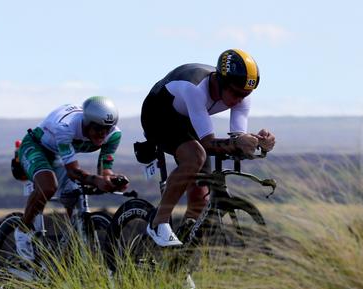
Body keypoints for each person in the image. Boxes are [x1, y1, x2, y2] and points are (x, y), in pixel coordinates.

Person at [140, 49, 276, 247]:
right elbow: (207, 143)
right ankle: (158, 222)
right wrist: (237, 143)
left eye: (245, 94)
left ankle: (179, 261)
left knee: (200, 201)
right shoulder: (195, 89)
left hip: (187, 119)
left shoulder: (241, 93)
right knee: (196, 156)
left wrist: (259, 142)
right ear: (220, 82)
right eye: (236, 93)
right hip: (158, 115)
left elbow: (237, 139)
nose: (240, 99)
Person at [14, 96, 129, 260]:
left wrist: (111, 180)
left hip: (60, 154)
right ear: (87, 123)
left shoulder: (114, 135)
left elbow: (105, 170)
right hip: (37, 147)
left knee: (74, 196)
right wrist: (96, 181)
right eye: (97, 129)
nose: (102, 134)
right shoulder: (66, 128)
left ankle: (70, 254)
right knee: (48, 187)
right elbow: (73, 172)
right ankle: (23, 230)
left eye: (107, 128)